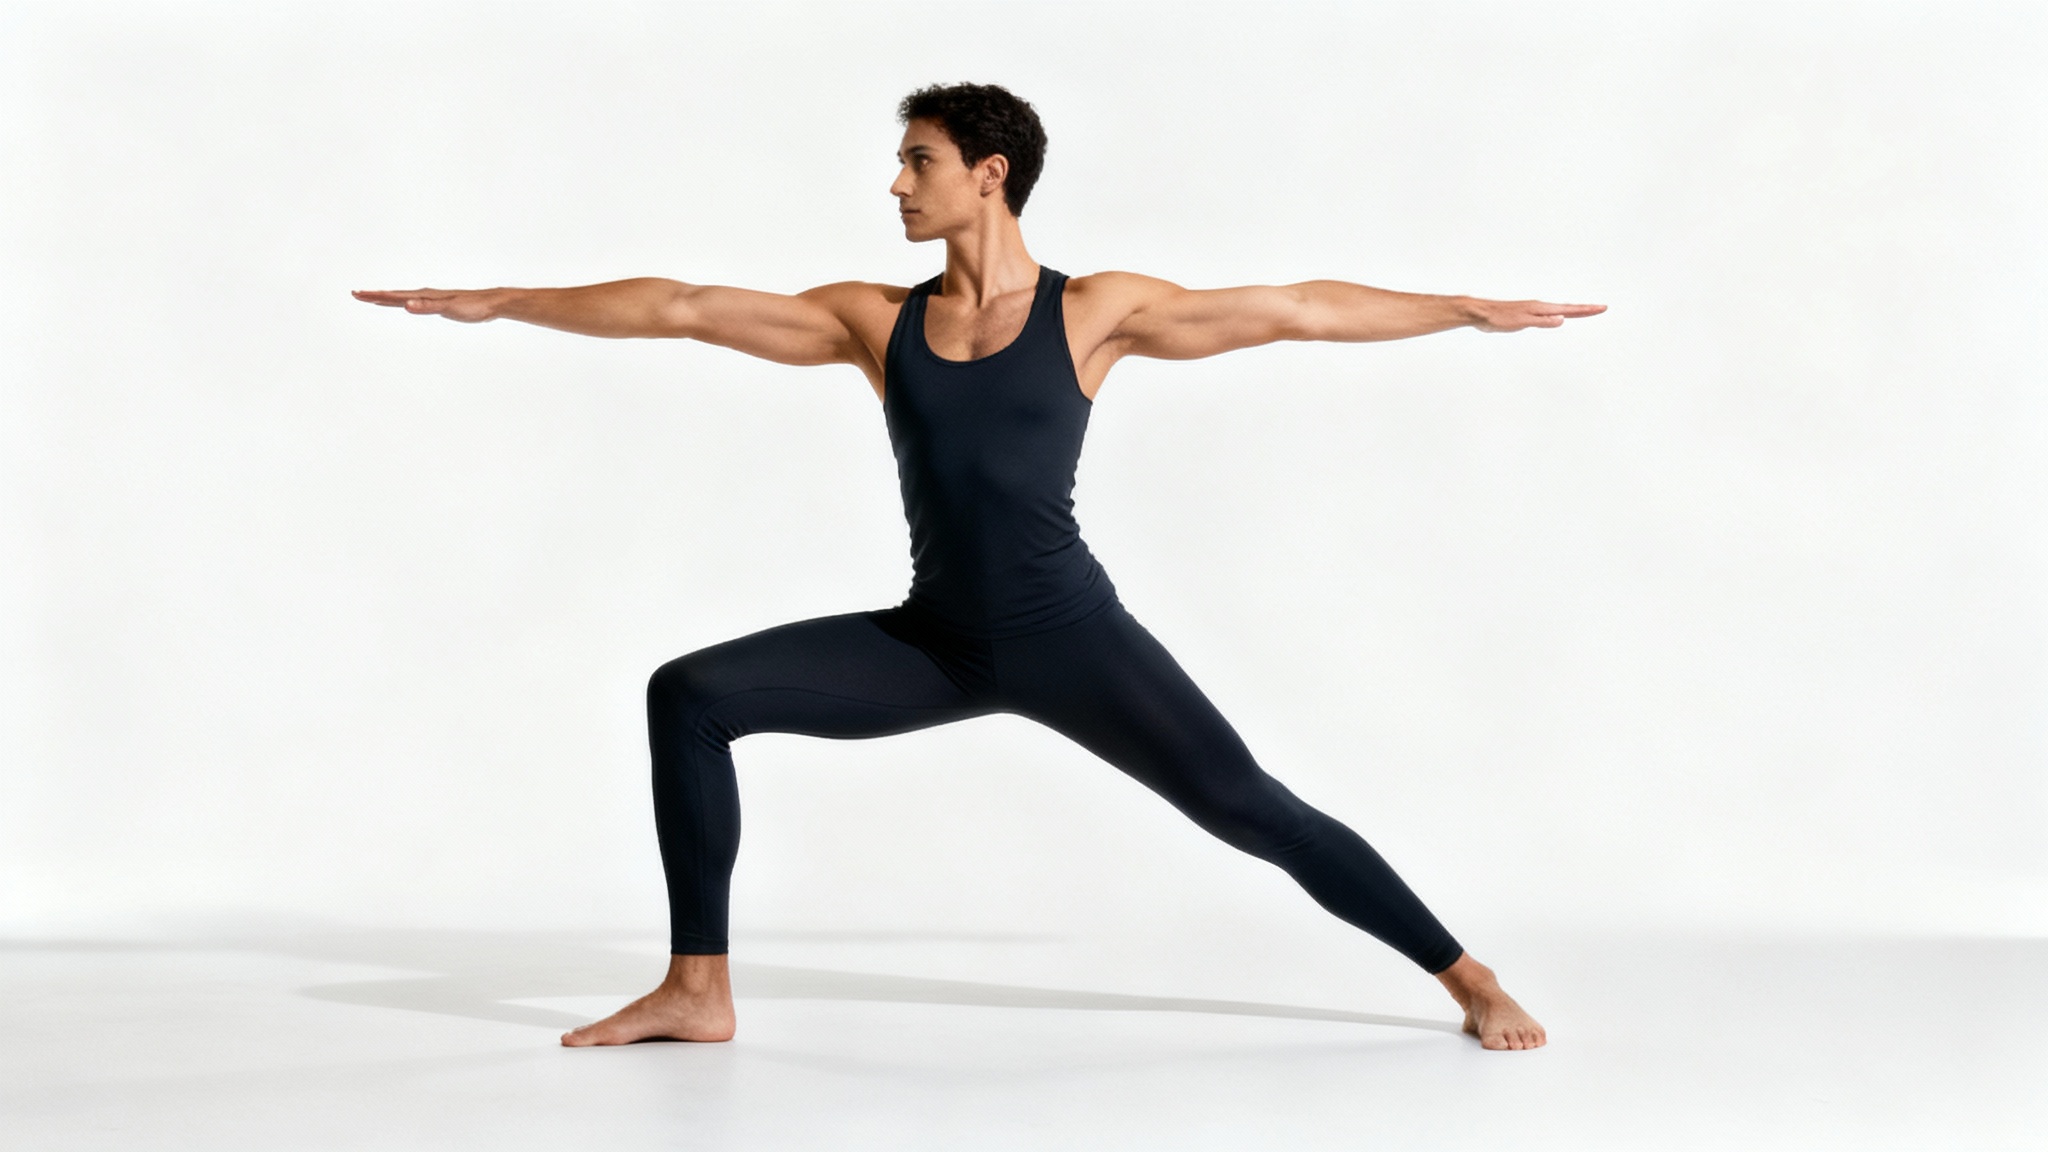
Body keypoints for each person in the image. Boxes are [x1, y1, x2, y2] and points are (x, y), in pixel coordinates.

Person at [354, 82, 1602, 1052]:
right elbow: (681, 306)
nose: (896, 183)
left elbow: (1297, 308)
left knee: (1249, 809)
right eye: (902, 162)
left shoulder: (1093, 311)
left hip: (1071, 638)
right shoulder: (874, 320)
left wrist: (1461, 308)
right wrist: (502, 299)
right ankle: (696, 988)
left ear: (987, 174)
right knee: (688, 695)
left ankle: (1467, 976)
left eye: (919, 161)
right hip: (935, 643)